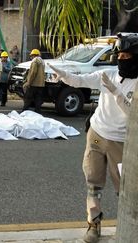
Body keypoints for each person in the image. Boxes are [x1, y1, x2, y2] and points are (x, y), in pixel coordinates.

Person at [48, 33, 138, 243]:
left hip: (122, 143)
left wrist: (116, 93)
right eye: (119, 56)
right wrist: (63, 75)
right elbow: (80, 80)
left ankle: (128, 228)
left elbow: (133, 114)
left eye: (127, 56)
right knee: (93, 183)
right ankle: (93, 224)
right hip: (97, 135)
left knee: (125, 189)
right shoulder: (108, 74)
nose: (122, 60)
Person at [22, 49, 45, 113]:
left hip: (34, 83)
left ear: (33, 55)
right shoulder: (42, 62)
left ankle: (24, 111)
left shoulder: (35, 61)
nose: (31, 57)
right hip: (41, 84)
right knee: (38, 99)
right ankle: (38, 112)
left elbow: (33, 73)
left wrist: (29, 82)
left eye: (31, 56)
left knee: (28, 98)